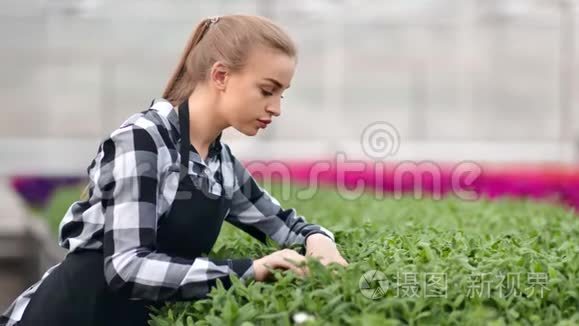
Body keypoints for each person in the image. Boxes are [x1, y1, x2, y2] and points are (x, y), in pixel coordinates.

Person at [0, 14, 348, 326]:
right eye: (267, 90)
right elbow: (126, 268)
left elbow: (285, 225)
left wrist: (319, 241)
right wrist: (248, 270)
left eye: (282, 95)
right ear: (221, 75)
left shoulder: (219, 162)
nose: (276, 108)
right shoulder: (142, 142)